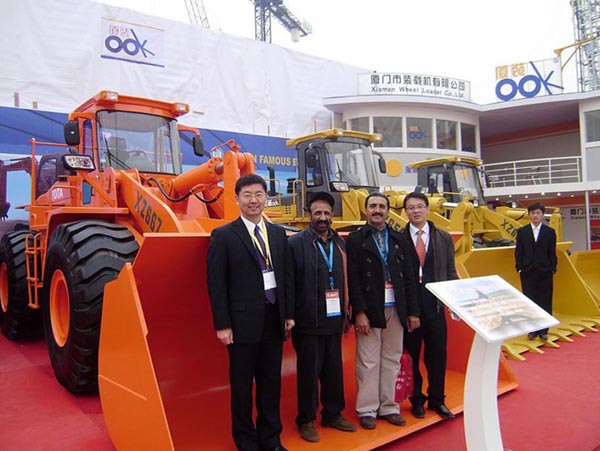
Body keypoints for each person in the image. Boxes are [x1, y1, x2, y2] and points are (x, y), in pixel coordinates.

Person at [207, 174, 294, 451]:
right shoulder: (223, 236)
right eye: (247, 195)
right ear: (237, 199)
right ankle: (246, 442)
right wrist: (222, 324)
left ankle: (271, 439)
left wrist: (288, 314)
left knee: (271, 385)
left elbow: (286, 277)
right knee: (242, 388)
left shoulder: (278, 235)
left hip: (273, 320)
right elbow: (216, 283)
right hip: (241, 324)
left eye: (258, 194)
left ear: (266, 197)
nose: (253, 200)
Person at [346, 192, 420, 430]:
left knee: (391, 359)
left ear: (388, 211)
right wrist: (359, 312)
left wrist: (413, 312)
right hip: (370, 309)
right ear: (366, 210)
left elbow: (410, 278)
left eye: (381, 206)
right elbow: (353, 279)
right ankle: (367, 409)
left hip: (396, 308)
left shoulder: (400, 240)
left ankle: (389, 406)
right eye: (372, 206)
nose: (377, 210)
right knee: (368, 361)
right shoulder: (356, 240)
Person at [288, 191, 357, 442]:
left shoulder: (339, 243)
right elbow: (289, 283)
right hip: (308, 321)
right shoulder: (296, 244)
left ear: (332, 215)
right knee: (308, 374)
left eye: (327, 213)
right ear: (309, 214)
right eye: (318, 213)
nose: (323, 217)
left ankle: (332, 414)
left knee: (333, 371)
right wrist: (289, 316)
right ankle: (306, 420)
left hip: (334, 318)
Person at [402, 192, 458, 420]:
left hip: (435, 307)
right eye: (411, 207)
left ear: (427, 208)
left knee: (437, 356)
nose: (415, 211)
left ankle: (437, 399)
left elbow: (451, 271)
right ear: (405, 212)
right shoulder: (399, 238)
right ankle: (416, 399)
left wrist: (454, 303)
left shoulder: (443, 237)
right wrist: (408, 311)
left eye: (419, 206)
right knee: (412, 357)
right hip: (411, 310)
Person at [515, 202, 557, 341]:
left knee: (545, 301)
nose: (535, 216)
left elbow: (552, 252)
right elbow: (519, 252)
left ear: (542, 214)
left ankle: (544, 330)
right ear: (529, 215)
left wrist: (552, 268)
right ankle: (532, 330)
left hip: (545, 272)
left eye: (538, 213)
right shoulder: (522, 232)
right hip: (527, 272)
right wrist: (519, 267)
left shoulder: (550, 232)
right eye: (533, 213)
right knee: (529, 302)